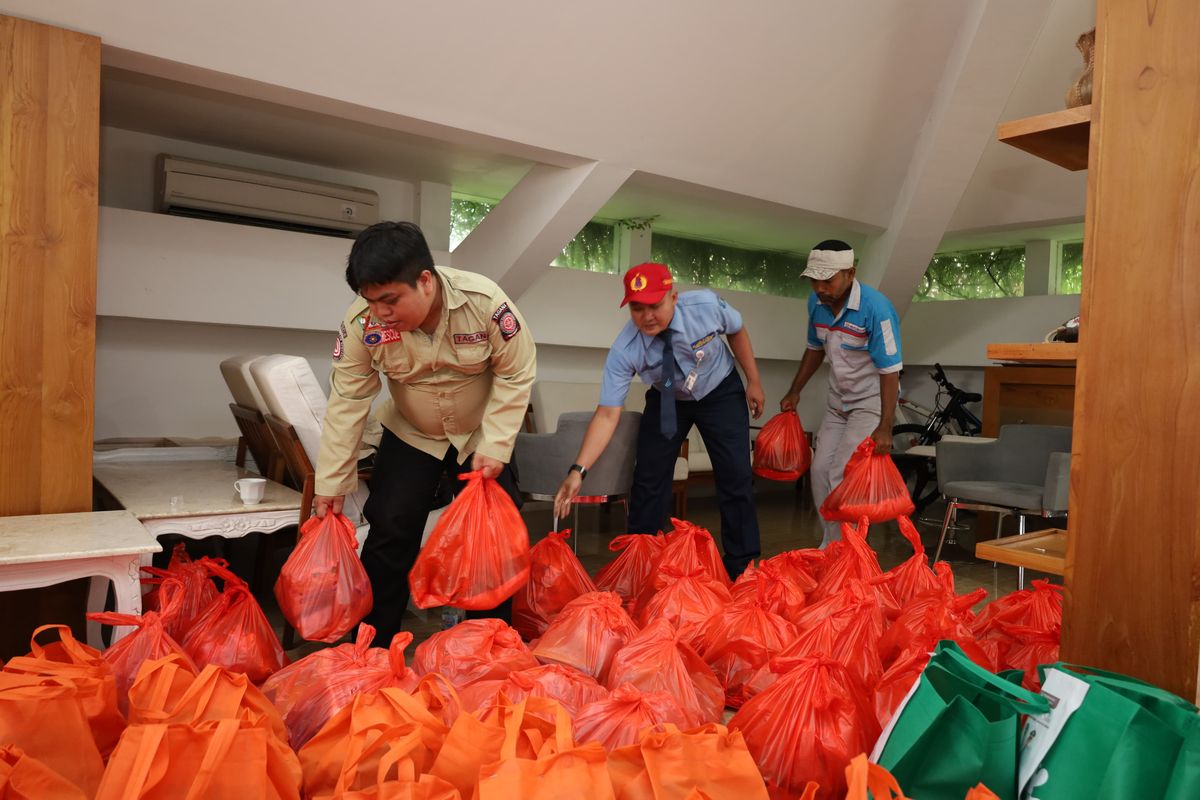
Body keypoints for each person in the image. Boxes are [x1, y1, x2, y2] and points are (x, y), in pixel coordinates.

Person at [312, 221, 536, 645]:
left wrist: (497, 444)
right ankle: (372, 647)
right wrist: (331, 481)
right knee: (389, 530)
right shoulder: (362, 323)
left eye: (390, 300)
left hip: (480, 434)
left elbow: (516, 372)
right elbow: (348, 399)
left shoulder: (485, 303)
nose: (381, 312)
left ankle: (487, 646)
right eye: (371, 301)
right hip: (412, 432)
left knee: (491, 542)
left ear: (426, 281)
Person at [553, 262, 764, 579]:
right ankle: (640, 565)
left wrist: (754, 380)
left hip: (719, 389)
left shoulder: (704, 307)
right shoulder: (625, 348)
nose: (647, 316)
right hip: (668, 398)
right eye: (637, 308)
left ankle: (742, 567)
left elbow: (736, 329)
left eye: (655, 305)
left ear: (673, 297)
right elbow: (608, 414)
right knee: (648, 480)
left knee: (736, 476)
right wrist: (577, 471)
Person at [780, 240, 902, 547]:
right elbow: (815, 349)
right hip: (838, 401)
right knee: (820, 470)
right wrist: (795, 390)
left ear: (850, 273)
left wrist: (885, 426)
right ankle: (833, 545)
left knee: (842, 472)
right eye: (814, 281)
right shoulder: (816, 304)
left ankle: (849, 549)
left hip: (870, 402)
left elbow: (890, 371)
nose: (820, 288)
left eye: (828, 280)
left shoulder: (876, 309)